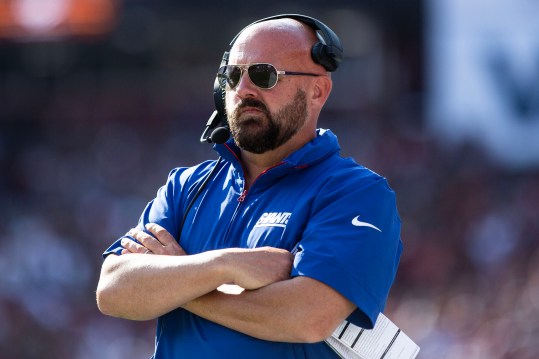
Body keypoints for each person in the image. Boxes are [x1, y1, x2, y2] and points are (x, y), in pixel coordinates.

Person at [96, 14, 403, 359]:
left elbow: (307, 316)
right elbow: (113, 289)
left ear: (318, 90)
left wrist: (180, 277)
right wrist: (224, 265)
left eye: (264, 75)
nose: (242, 90)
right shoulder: (184, 186)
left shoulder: (356, 193)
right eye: (232, 76)